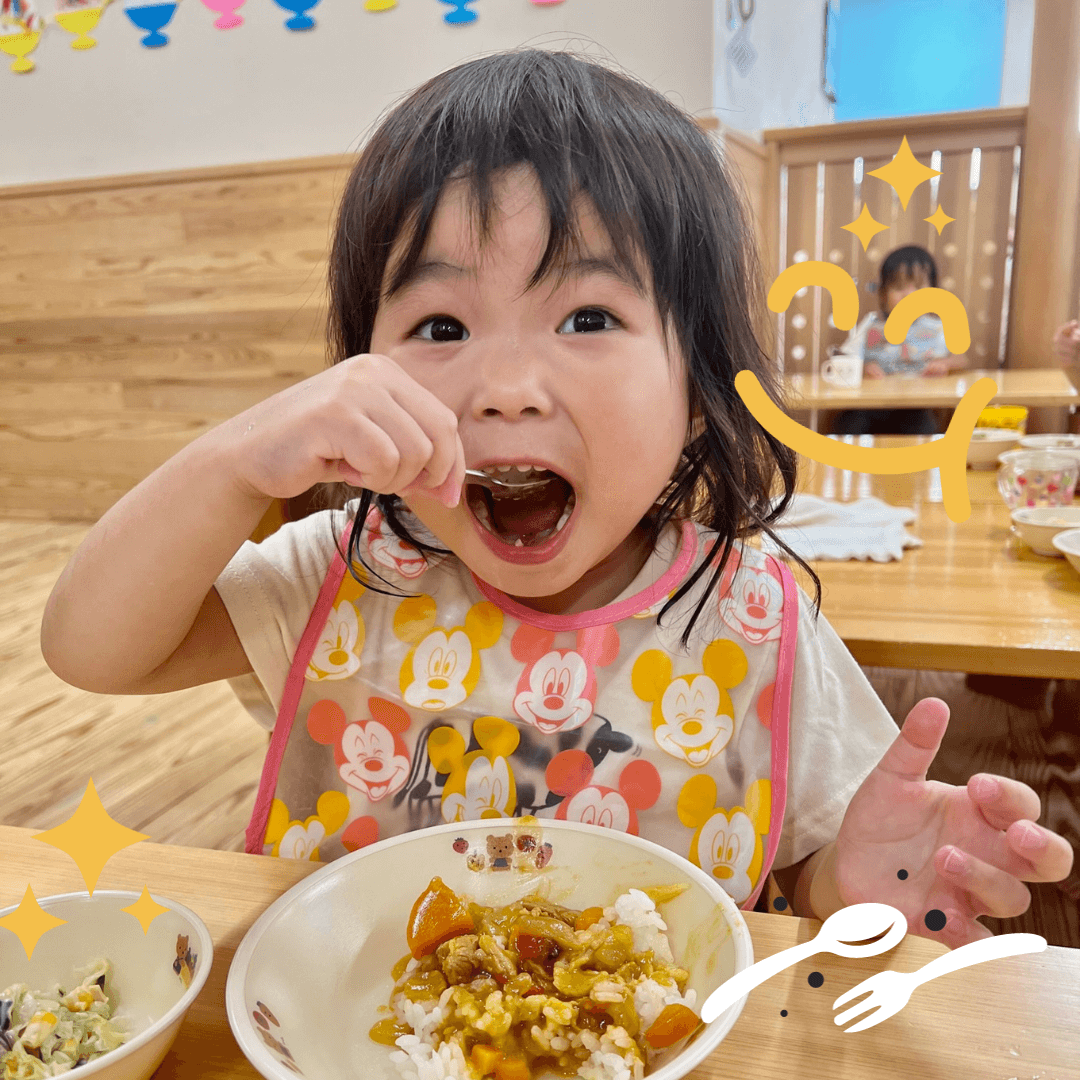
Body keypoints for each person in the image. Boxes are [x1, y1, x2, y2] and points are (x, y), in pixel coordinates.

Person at [40, 50, 1070, 946]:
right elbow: (91, 649)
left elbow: (800, 873)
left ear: (697, 392)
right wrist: (231, 463)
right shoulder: (345, 575)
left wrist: (856, 879)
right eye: (441, 327)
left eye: (586, 317)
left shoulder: (752, 617)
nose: (505, 388)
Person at [833, 245, 966, 436]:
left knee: (923, 428)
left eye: (918, 288)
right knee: (847, 424)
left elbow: (961, 359)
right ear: (883, 294)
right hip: (869, 404)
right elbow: (844, 358)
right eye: (898, 288)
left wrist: (945, 364)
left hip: (916, 406)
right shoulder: (871, 325)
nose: (908, 295)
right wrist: (864, 368)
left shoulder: (937, 327)